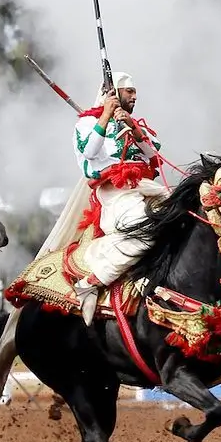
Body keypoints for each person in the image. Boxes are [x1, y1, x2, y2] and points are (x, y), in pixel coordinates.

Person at [70, 72, 166, 325]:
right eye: (129, 91)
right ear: (113, 94)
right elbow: (90, 152)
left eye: (134, 91)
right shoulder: (86, 125)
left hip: (146, 187)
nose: (135, 96)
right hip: (114, 192)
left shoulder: (136, 124)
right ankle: (90, 283)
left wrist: (132, 127)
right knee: (149, 230)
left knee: (187, 216)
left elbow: (155, 156)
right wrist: (105, 115)